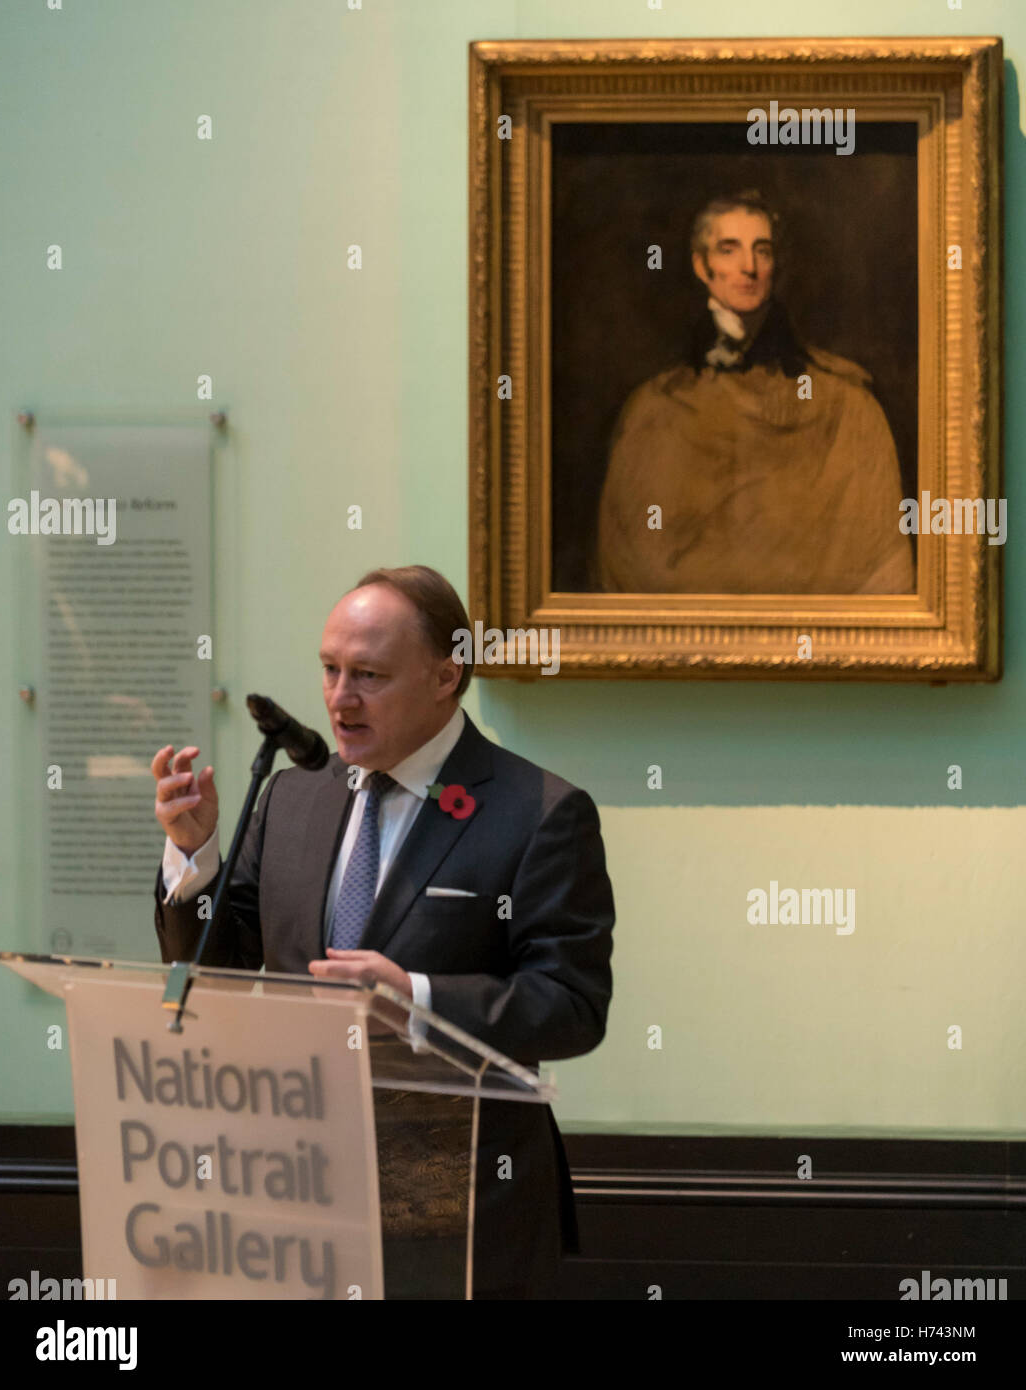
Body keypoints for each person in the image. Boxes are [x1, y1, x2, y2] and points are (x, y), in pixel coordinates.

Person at [150, 564, 615, 1299]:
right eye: (330, 670)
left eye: (368, 674)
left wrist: (418, 998)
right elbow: (222, 966)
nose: (339, 698)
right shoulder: (293, 794)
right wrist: (195, 855)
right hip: (294, 1188)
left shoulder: (538, 812)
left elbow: (572, 1005)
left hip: (461, 1201)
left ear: (444, 675)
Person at [596, 190, 914, 595]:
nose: (748, 267)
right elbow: (628, 564)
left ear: (774, 264)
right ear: (701, 265)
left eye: (761, 251)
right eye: (729, 250)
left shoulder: (845, 404)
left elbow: (882, 564)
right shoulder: (653, 409)